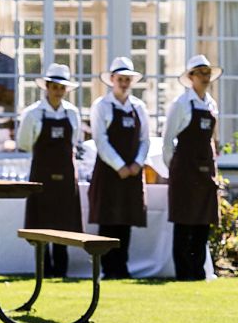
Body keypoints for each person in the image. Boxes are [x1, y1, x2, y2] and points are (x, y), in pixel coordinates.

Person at [16, 63, 83, 277]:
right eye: (54, 87)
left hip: (65, 176)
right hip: (41, 175)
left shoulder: (72, 113)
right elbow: (25, 142)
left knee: (63, 222)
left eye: (62, 88)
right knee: (42, 222)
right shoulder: (33, 113)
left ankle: (61, 270)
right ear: (47, 87)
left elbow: (74, 141)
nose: (58, 92)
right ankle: (44, 269)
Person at [87, 56, 149, 279]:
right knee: (108, 220)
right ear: (112, 79)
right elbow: (100, 141)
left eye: (127, 79)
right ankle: (107, 268)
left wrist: (137, 164)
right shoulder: (101, 106)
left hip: (132, 172)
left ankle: (122, 267)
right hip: (108, 172)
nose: (123, 83)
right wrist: (119, 165)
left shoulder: (139, 107)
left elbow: (145, 140)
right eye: (120, 78)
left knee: (126, 221)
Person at [163, 54, 222, 281]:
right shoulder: (180, 104)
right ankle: (183, 273)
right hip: (184, 171)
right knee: (184, 223)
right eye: (201, 73)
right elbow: (168, 141)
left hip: (206, 171)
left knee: (202, 224)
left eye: (208, 73)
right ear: (191, 77)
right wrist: (176, 169)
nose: (205, 78)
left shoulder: (211, 104)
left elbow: (212, 139)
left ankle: (198, 272)